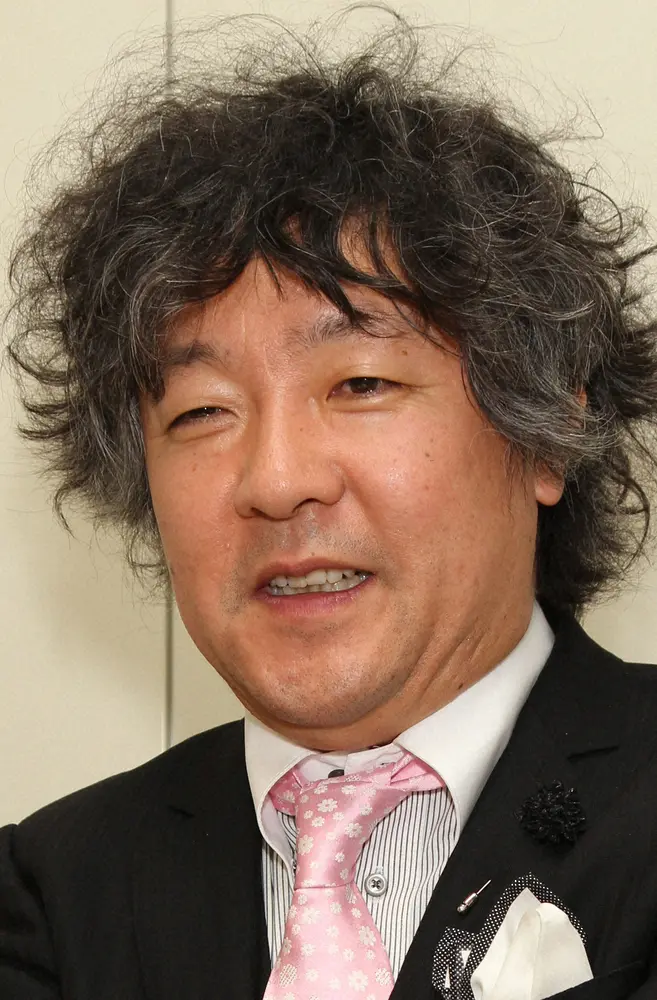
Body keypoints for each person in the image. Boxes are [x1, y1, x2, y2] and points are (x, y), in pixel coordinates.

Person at [2, 13, 657, 1000]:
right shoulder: (56, 894)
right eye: (202, 411)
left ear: (545, 434)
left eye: (360, 384)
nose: (275, 480)